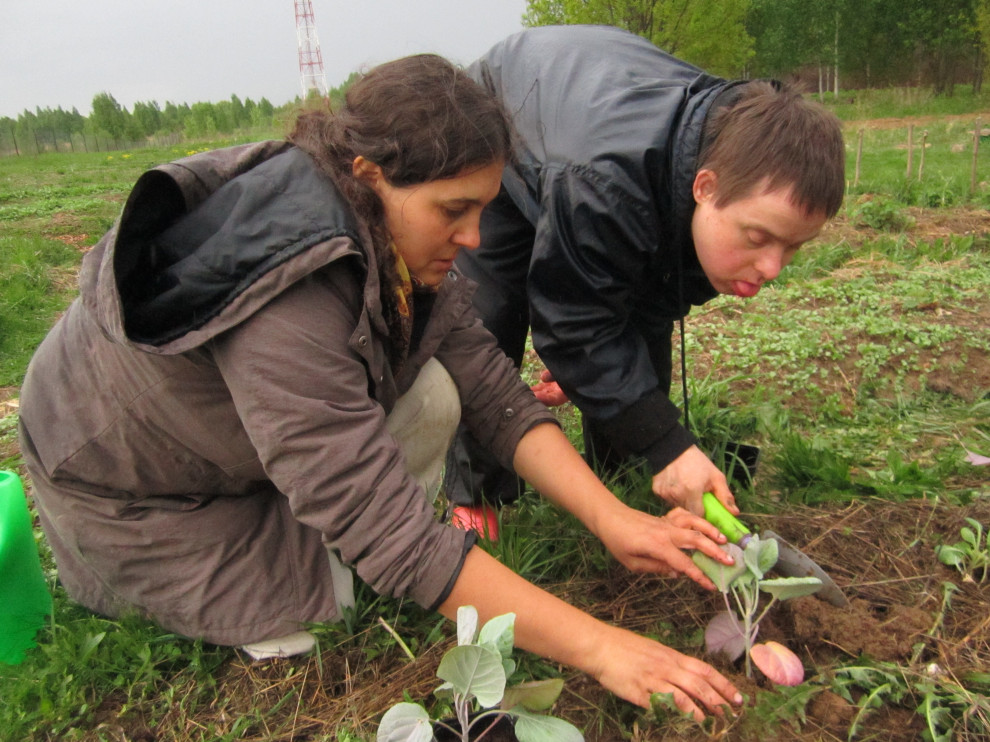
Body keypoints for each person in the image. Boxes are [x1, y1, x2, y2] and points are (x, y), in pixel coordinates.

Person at [18, 54, 743, 719]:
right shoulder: (292, 291)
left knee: (437, 392)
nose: (476, 239)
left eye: (483, 208)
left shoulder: (377, 228)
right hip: (135, 498)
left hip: (218, 442)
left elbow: (493, 388)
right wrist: (602, 647)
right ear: (369, 174)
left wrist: (613, 519)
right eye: (453, 211)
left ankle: (309, 530)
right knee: (309, 622)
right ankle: (243, 570)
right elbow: (396, 541)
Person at [446, 24, 846, 522]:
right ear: (705, 187)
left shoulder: (733, 154)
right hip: (508, 118)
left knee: (632, 328)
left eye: (794, 247)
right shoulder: (604, 185)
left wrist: (611, 392)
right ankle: (478, 499)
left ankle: (620, 475)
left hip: (589, 125)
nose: (772, 268)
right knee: (490, 316)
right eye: (759, 238)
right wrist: (667, 442)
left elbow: (646, 306)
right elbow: (574, 324)